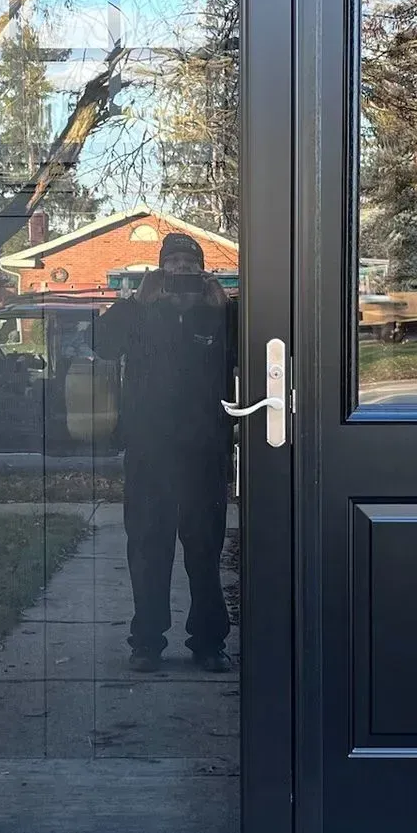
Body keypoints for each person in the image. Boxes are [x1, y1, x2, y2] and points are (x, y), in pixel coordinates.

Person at [95, 232, 238, 674]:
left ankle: (209, 643)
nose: (180, 271)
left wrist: (227, 306)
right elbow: (100, 344)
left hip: (204, 454)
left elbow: (263, 352)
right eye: (172, 263)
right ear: (160, 270)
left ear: (200, 270)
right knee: (148, 551)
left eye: (188, 264)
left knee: (204, 554)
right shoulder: (141, 312)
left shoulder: (218, 315)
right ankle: (147, 643)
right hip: (149, 454)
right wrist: (137, 302)